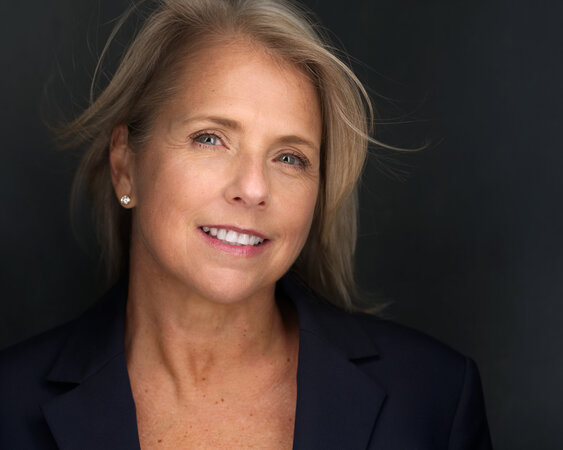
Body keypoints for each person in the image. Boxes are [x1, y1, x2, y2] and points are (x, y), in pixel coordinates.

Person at [0, 0, 492, 448]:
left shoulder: (433, 398)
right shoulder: (8, 404)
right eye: (211, 138)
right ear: (125, 164)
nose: (254, 188)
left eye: (290, 157)